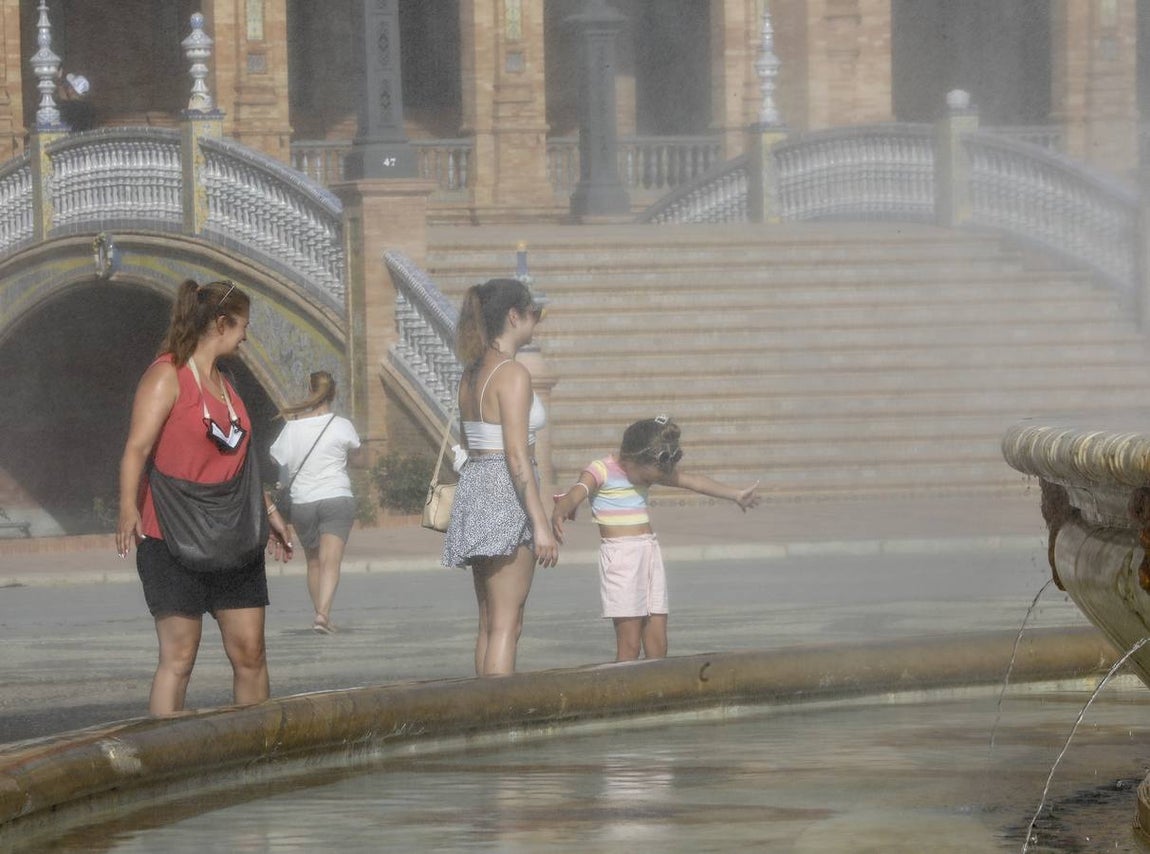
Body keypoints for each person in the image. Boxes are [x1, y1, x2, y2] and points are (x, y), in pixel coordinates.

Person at [116, 279, 293, 715]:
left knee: (251, 652)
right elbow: (136, 449)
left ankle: (257, 753)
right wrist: (125, 508)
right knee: (179, 658)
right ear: (220, 323)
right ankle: (164, 758)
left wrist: (268, 509)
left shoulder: (227, 383)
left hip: (235, 535)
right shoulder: (167, 376)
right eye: (242, 326)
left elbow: (237, 459)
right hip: (170, 537)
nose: (246, 335)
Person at [551, 416, 760, 662]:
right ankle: (625, 695)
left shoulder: (648, 466)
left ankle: (657, 696)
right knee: (629, 647)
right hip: (621, 559)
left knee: (658, 645)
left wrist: (735, 494)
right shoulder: (601, 469)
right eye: (648, 478)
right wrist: (561, 508)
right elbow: (578, 491)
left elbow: (694, 482)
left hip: (650, 553)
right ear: (630, 460)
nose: (652, 481)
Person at [443, 278, 558, 676]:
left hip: (476, 485)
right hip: (505, 490)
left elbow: (469, 442)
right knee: (508, 623)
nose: (535, 322)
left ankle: (484, 707)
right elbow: (515, 454)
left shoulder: (471, 374)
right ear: (514, 317)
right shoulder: (512, 374)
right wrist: (540, 523)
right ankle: (500, 717)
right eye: (532, 314)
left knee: (489, 622)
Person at [269, 371, 361, 634]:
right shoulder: (342, 425)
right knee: (331, 561)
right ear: (335, 394)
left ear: (309, 390)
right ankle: (322, 615)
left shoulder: (292, 426)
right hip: (336, 497)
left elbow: (277, 459)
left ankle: (321, 614)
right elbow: (356, 455)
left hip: (303, 502)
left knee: (314, 563)